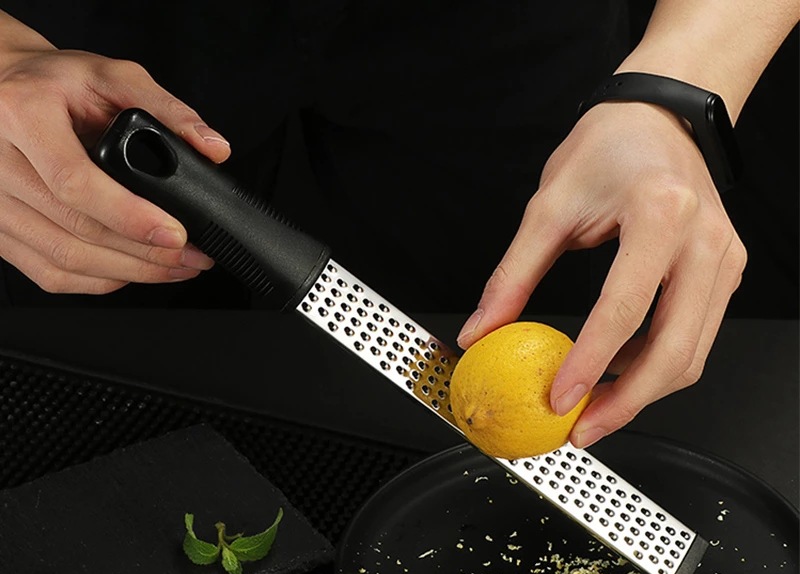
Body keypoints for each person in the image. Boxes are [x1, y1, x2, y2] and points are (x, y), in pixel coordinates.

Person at [0, 2, 796, 450]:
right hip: (82, 38)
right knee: (92, 382)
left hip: (493, 36)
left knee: (515, 321)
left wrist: (674, 91)